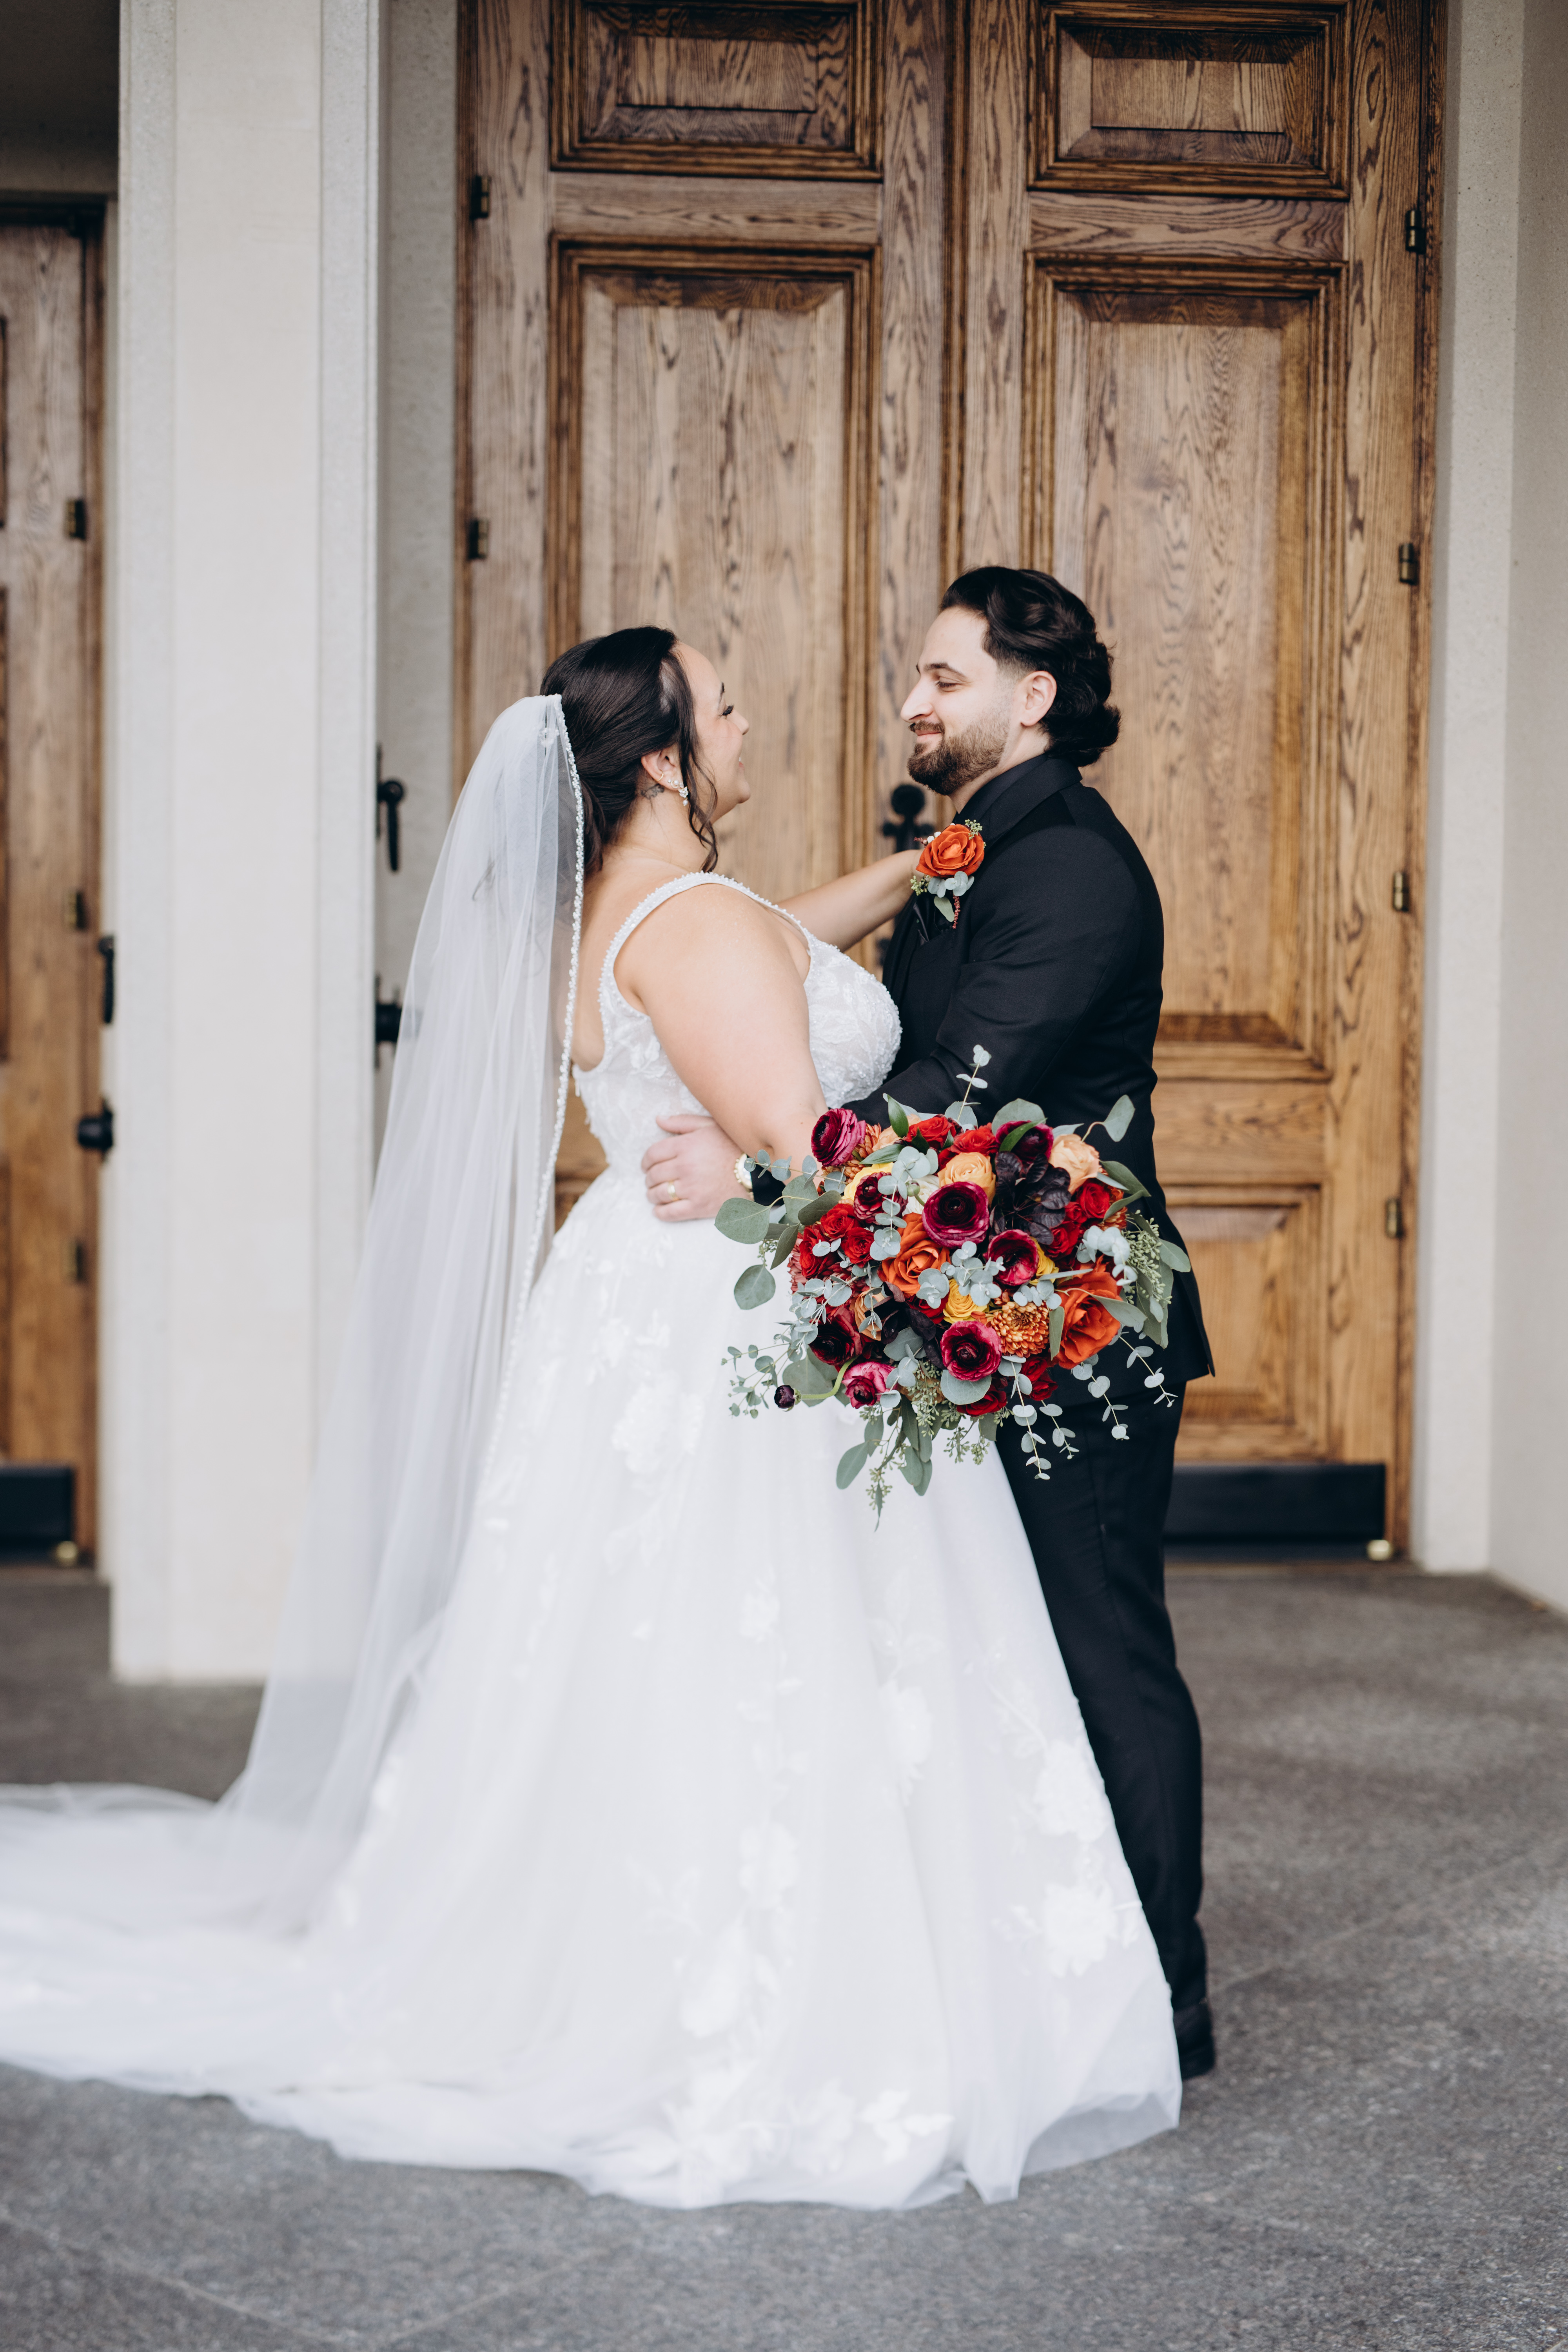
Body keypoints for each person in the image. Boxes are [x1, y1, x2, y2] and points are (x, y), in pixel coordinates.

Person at [0, 626, 1181, 2210]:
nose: (753, 725)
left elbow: (767, 949)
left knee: (635, 1637)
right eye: (729, 709)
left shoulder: (609, 914)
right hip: (734, 1317)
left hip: (634, 1305)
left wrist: (918, 872)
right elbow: (809, 1145)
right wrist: (774, 1165)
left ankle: (593, 1937)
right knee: (769, 1641)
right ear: (668, 762)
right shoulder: (696, 926)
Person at [643, 572, 1217, 2081]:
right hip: (970, 1310)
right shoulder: (972, 850)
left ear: (1034, 698)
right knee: (997, 1651)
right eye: (917, 672)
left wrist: (756, 1157)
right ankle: (1042, 1968)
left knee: (1100, 1651)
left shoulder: (1071, 869)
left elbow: (954, 1098)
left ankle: (1165, 1998)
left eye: (946, 677)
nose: (915, 699)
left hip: (1078, 1325)